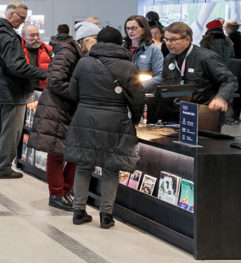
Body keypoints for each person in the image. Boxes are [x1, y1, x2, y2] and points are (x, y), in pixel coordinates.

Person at [65, 26, 146, 229]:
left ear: (98, 42)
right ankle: (106, 216)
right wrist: (135, 120)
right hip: (115, 120)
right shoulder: (129, 66)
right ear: (120, 43)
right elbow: (138, 99)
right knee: (111, 168)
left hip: (85, 118)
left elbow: (72, 92)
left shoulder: (83, 62)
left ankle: (78, 211)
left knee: (83, 165)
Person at [27, 21, 99, 211]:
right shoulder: (68, 52)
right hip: (57, 108)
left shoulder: (82, 55)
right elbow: (56, 81)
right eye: (95, 38)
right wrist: (79, 93)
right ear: (85, 39)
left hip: (70, 108)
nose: (97, 42)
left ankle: (65, 190)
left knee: (73, 152)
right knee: (57, 153)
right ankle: (56, 193)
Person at [0, 2, 47, 179]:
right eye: (21, 18)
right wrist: (44, 73)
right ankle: (4, 166)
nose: (22, 22)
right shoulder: (9, 37)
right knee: (12, 130)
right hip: (13, 90)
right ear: (11, 14)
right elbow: (17, 67)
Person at [161, 21, 237, 118]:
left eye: (173, 40)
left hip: (205, 111)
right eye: (166, 39)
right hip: (178, 110)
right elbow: (165, 83)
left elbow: (229, 80)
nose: (168, 43)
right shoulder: (169, 58)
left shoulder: (206, 57)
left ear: (187, 39)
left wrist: (221, 98)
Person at [123, 15, 163, 93]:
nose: (130, 31)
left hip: (144, 93)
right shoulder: (121, 48)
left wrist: (139, 87)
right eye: (128, 28)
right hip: (123, 93)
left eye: (134, 28)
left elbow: (160, 76)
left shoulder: (153, 50)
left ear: (144, 29)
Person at [225, 20, 241, 121]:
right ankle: (238, 115)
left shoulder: (229, 40)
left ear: (228, 29)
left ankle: (234, 115)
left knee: (235, 92)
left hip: (235, 71)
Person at [22, 24, 52, 90]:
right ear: (23, 37)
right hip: (24, 90)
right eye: (32, 35)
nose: (36, 38)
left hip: (44, 89)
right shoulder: (18, 51)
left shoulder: (48, 49)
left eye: (37, 35)